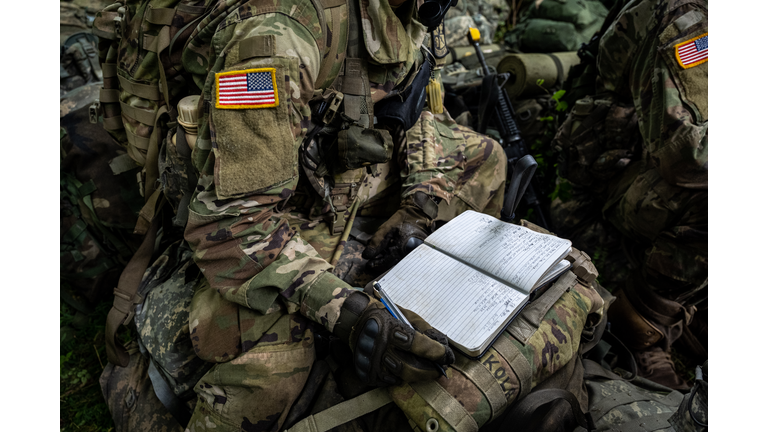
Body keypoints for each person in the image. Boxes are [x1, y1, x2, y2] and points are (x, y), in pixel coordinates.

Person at [553, 0, 707, 389]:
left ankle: (692, 305)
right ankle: (642, 322)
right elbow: (686, 155)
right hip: (609, 179)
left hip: (651, 171)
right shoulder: (690, 20)